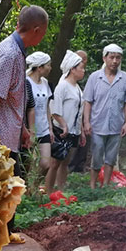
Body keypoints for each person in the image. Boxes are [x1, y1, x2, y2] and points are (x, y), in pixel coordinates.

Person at [0, 5, 48, 244]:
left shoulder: (16, 51)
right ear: (37, 30)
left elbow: (10, 99)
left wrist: (24, 130)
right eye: (44, 32)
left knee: (9, 189)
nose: (43, 37)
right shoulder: (9, 53)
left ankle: (4, 234)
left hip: (9, 135)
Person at [82, 43, 126, 189]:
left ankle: (105, 185)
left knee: (111, 156)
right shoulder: (94, 78)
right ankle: (92, 185)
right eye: (111, 57)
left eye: (118, 58)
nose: (115, 61)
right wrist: (86, 122)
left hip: (116, 124)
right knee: (97, 153)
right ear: (104, 58)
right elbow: (87, 102)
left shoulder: (125, 79)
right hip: (97, 124)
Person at [45, 51, 86, 194]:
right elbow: (55, 110)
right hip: (61, 131)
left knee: (66, 161)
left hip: (73, 131)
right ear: (73, 69)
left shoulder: (77, 89)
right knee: (55, 162)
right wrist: (63, 124)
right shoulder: (62, 87)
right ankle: (49, 191)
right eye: (81, 68)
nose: (83, 70)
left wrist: (81, 131)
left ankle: (61, 190)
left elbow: (79, 111)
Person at [24, 52, 53, 180]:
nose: (50, 68)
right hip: (30, 128)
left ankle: (35, 186)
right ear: (40, 68)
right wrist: (30, 131)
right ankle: (25, 190)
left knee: (46, 164)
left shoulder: (45, 82)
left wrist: (50, 128)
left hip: (44, 128)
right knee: (28, 163)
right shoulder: (26, 82)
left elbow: (47, 106)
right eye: (48, 65)